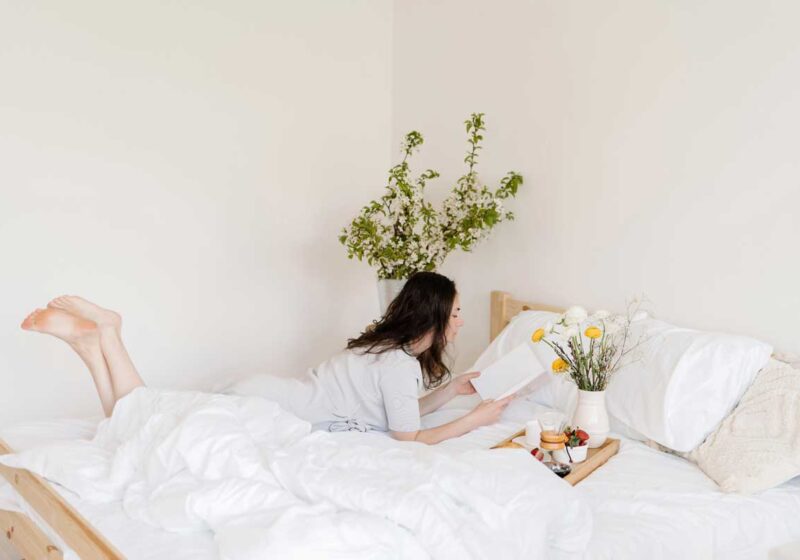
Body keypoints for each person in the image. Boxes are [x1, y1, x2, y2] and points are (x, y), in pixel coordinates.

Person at [21, 272, 513, 444]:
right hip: (266, 412)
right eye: (458, 313)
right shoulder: (399, 365)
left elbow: (399, 413)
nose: (462, 322)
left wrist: (453, 392)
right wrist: (476, 420)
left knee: (142, 426)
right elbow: (409, 437)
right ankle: (109, 332)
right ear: (436, 317)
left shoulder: (386, 352)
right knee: (151, 421)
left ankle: (91, 349)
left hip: (265, 394)